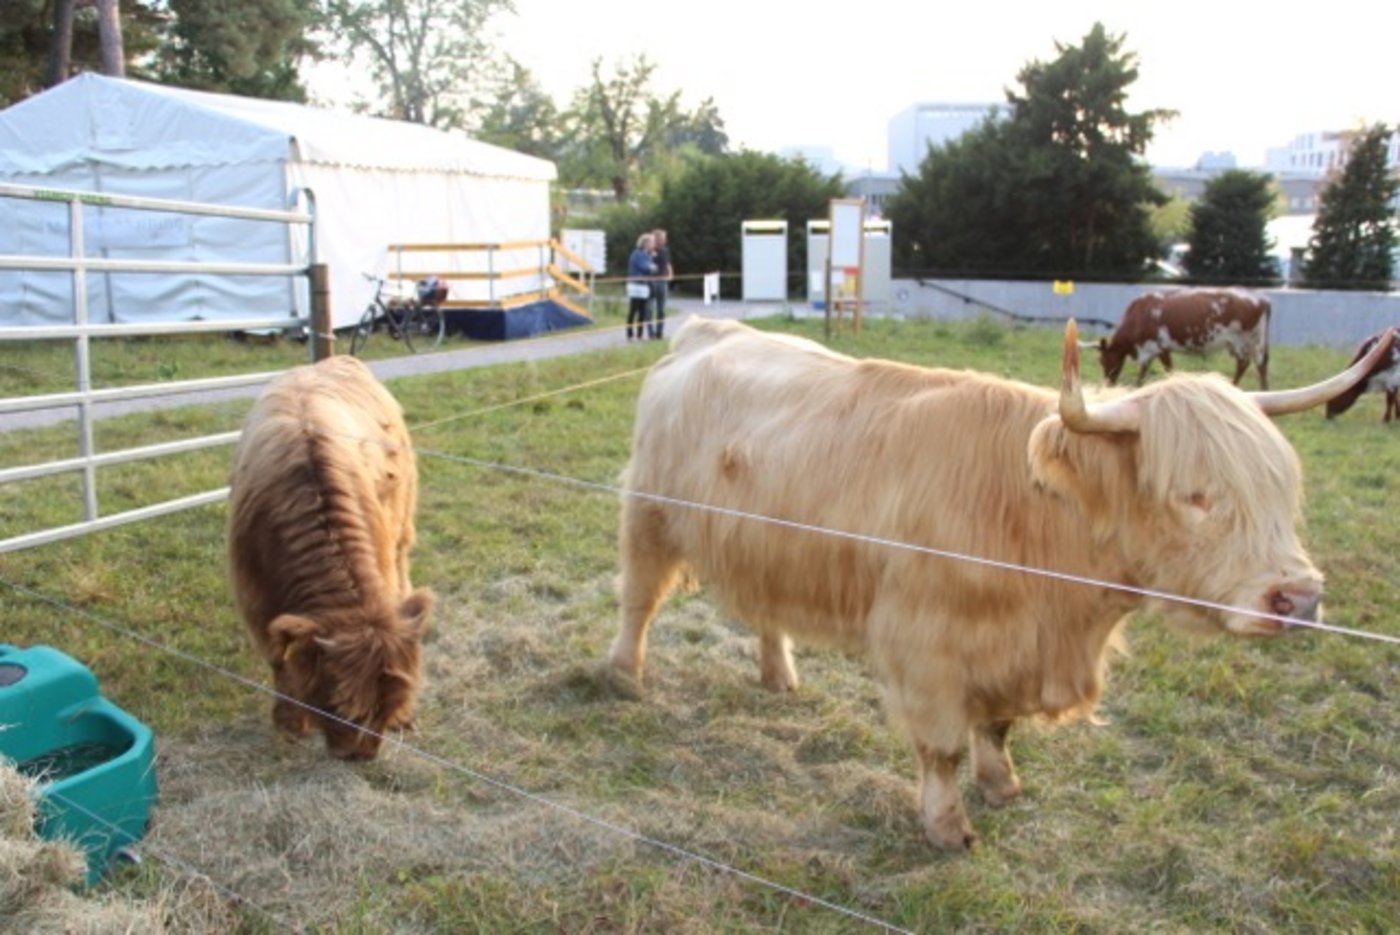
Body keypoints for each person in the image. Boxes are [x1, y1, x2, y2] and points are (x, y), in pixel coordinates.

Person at [626, 232, 656, 341]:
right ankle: (630, 333)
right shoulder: (637, 254)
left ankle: (639, 334)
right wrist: (651, 266)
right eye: (651, 242)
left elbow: (653, 268)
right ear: (645, 243)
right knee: (633, 309)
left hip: (644, 284)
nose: (652, 244)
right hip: (635, 284)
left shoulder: (647, 255)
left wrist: (651, 265)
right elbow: (645, 267)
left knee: (642, 311)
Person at [648, 229, 673, 340]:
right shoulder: (649, 250)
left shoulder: (665, 250)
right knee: (649, 308)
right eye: (660, 238)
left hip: (663, 281)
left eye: (663, 238)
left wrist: (671, 273)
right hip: (651, 281)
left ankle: (659, 332)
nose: (662, 241)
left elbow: (667, 263)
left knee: (661, 309)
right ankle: (651, 332)